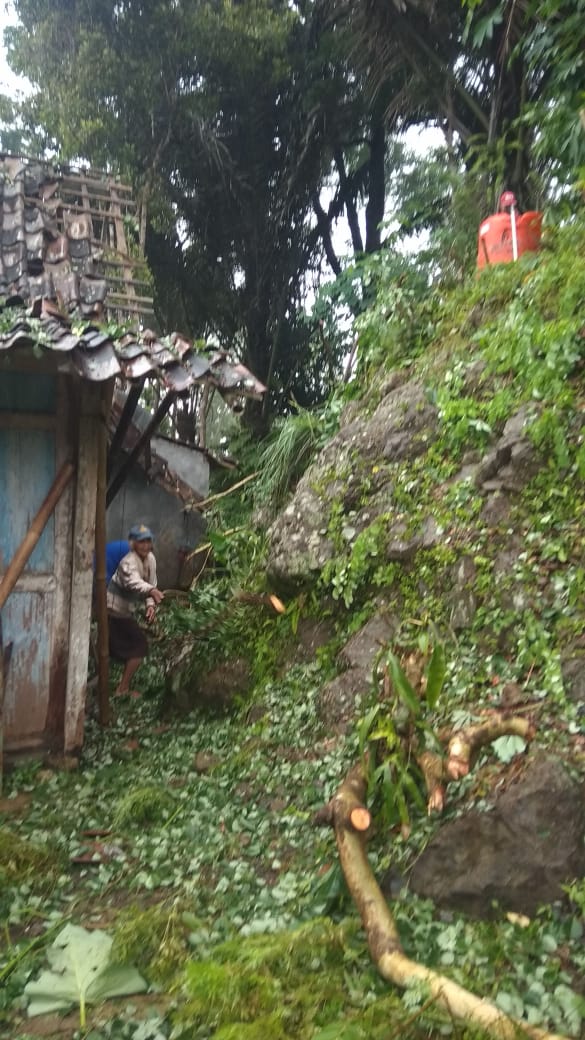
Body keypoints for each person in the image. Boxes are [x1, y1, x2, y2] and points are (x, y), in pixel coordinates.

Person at [106, 524, 164, 697]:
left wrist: (150, 606)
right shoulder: (127, 562)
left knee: (120, 644)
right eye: (141, 542)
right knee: (140, 646)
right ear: (133, 544)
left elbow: (151, 583)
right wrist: (151, 592)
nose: (145, 546)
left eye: (148, 541)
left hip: (126, 610)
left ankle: (114, 677)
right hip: (114, 609)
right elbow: (135, 583)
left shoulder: (151, 559)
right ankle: (122, 689)